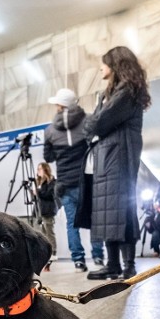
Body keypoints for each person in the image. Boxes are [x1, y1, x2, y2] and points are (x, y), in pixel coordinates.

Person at [82, 46, 150, 280]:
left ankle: (128, 265)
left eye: (104, 63)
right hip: (107, 159)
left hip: (119, 158)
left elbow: (97, 124)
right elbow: (95, 125)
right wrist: (92, 124)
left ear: (116, 64)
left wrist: (91, 123)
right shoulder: (109, 94)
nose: (100, 67)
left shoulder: (127, 91)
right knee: (106, 213)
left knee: (122, 211)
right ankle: (112, 265)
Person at [43, 88, 104, 272]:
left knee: (72, 223)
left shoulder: (50, 131)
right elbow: (96, 144)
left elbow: (48, 157)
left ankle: (78, 261)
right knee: (94, 220)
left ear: (61, 106)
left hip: (65, 183)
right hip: (86, 180)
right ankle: (98, 257)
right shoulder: (86, 121)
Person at [35, 162, 58, 265]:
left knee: (49, 232)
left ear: (46, 170)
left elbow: (50, 195)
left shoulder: (52, 181)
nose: (38, 171)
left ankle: (53, 252)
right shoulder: (38, 182)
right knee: (41, 233)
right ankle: (44, 253)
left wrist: (38, 192)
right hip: (40, 211)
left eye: (40, 169)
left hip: (48, 211)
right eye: (38, 169)